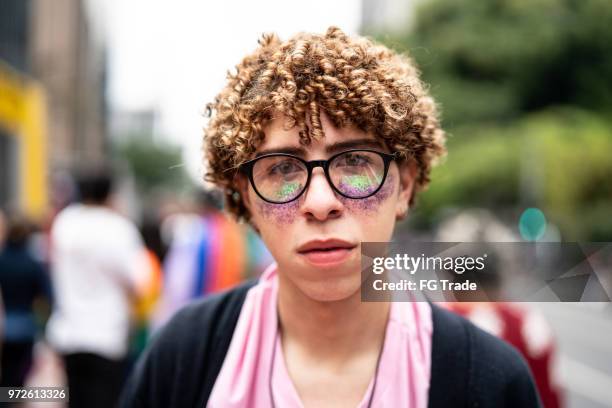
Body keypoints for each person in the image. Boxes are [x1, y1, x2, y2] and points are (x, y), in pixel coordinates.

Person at [120, 27, 541, 407]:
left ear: (405, 184)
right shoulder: (183, 355)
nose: (320, 202)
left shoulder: (489, 382)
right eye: (282, 168)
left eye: (355, 161)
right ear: (244, 195)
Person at [46, 165, 148, 408]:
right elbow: (141, 281)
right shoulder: (118, 228)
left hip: (69, 332)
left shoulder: (64, 223)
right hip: (108, 335)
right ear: (110, 193)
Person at [0, 213, 52, 388]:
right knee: (19, 380)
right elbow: (47, 296)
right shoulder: (32, 264)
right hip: (26, 327)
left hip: (4, 327)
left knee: (5, 378)